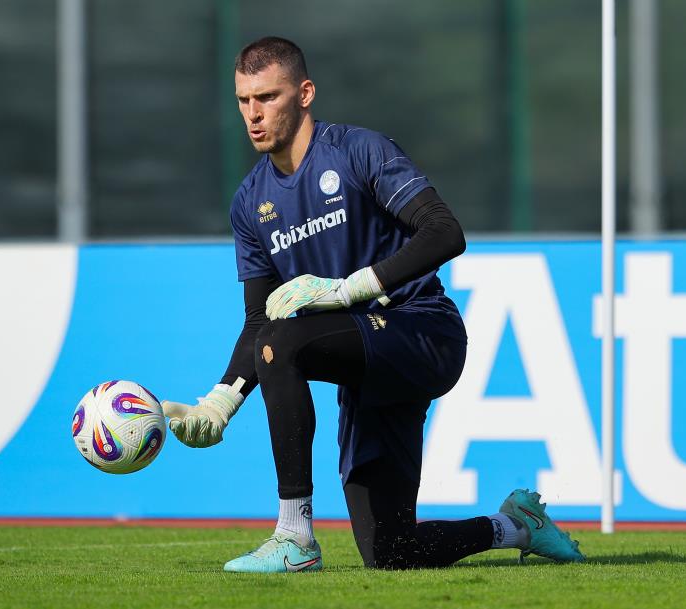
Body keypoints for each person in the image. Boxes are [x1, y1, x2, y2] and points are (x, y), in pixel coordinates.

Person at [162, 36, 584, 572]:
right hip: (364, 367)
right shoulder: (250, 202)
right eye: (244, 100)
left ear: (305, 93)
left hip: (421, 332)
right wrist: (220, 401)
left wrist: (345, 290)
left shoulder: (357, 151)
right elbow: (258, 319)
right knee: (391, 552)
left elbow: (444, 232)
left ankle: (295, 536)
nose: (254, 114)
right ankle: (518, 525)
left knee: (283, 343)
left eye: (268, 97)